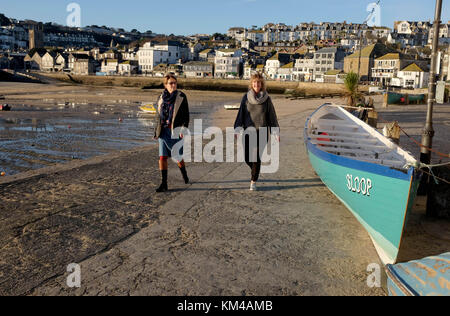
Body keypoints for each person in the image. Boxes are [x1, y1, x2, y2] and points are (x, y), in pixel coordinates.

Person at [234, 72, 280, 191]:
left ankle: (253, 181)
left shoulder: (267, 99)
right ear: (251, 84)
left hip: (262, 132)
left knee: (255, 156)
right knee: (247, 158)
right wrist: (237, 128)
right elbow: (241, 114)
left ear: (262, 84)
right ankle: (256, 168)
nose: (257, 84)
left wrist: (275, 132)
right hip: (248, 131)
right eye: (255, 82)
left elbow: (272, 116)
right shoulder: (246, 97)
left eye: (259, 82)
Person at [154, 74, 190, 193]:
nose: (173, 85)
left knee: (177, 156)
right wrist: (156, 131)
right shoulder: (161, 97)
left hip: (175, 131)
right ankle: (164, 183)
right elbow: (157, 115)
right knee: (162, 157)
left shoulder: (181, 96)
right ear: (165, 85)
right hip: (163, 130)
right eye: (171, 83)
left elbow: (186, 115)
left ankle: (184, 175)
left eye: (175, 83)